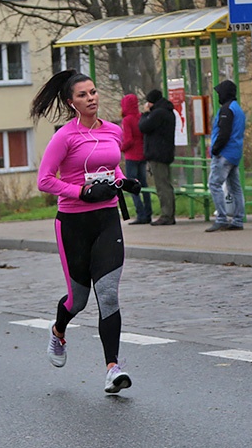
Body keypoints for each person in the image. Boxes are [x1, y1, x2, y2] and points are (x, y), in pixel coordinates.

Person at [31, 69, 141, 394]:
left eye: (93, 92)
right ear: (71, 102)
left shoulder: (113, 131)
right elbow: (44, 180)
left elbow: (111, 166)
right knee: (78, 300)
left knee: (107, 293)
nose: (91, 98)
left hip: (107, 220)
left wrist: (123, 182)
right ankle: (58, 331)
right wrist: (80, 192)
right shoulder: (64, 136)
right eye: (83, 95)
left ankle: (112, 369)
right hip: (73, 224)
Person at [205, 80, 246, 232]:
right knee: (235, 187)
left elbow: (224, 133)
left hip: (224, 154)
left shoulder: (226, 110)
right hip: (235, 153)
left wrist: (215, 149)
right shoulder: (238, 109)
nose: (218, 96)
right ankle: (238, 219)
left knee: (214, 184)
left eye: (219, 93)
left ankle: (221, 218)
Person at [139, 88, 176, 225]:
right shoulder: (168, 111)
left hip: (157, 153)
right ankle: (169, 214)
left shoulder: (158, 114)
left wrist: (144, 114)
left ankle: (167, 215)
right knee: (165, 184)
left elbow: (143, 127)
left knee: (162, 186)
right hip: (165, 152)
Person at [120, 93, 153, 224]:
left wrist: (120, 148)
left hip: (131, 155)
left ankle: (140, 214)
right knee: (143, 185)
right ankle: (148, 213)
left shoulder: (127, 120)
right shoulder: (140, 117)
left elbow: (128, 140)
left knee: (132, 186)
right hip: (142, 154)